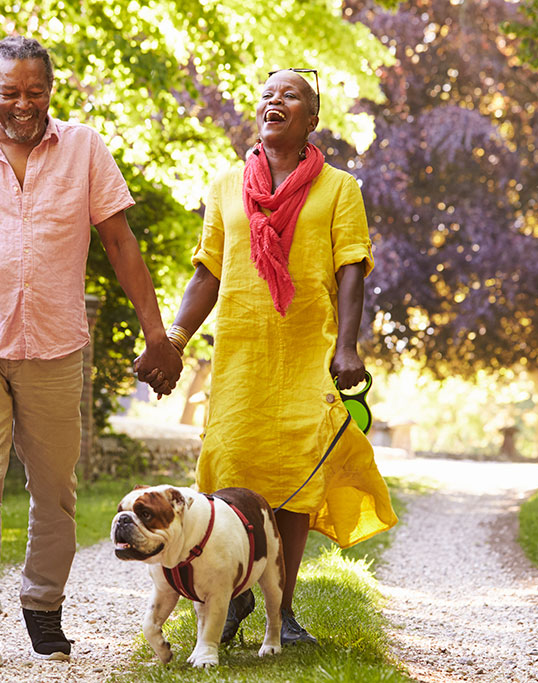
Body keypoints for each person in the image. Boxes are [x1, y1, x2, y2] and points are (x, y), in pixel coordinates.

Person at [0, 35, 182, 668]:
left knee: (54, 488)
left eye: (35, 91)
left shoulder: (84, 148)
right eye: (10, 93)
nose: (23, 104)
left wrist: (156, 334)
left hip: (54, 343)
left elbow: (119, 242)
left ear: (50, 90)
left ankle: (42, 606)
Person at [137, 68, 398, 645]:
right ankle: (230, 597)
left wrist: (348, 346)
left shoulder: (339, 189)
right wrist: (174, 339)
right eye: (267, 94)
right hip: (241, 355)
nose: (274, 101)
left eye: (292, 95)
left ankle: (285, 609)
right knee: (230, 469)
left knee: (293, 483)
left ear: (312, 120)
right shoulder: (228, 184)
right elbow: (209, 269)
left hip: (308, 351)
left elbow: (351, 267)